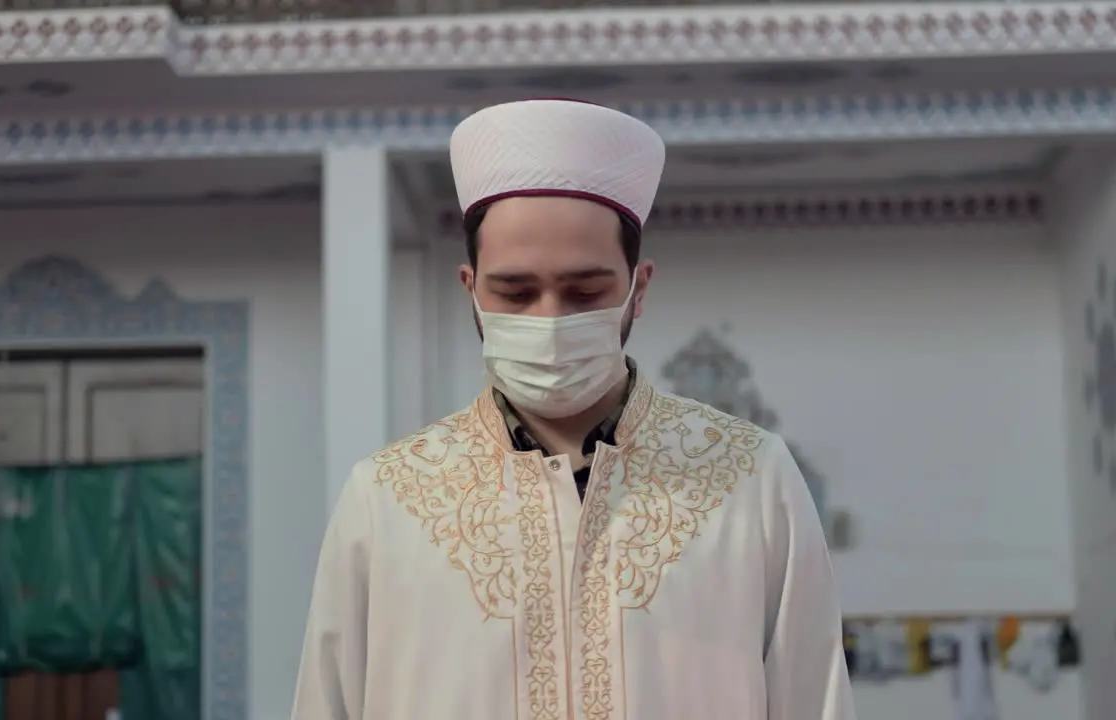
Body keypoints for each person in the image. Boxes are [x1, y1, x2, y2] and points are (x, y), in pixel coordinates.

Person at [292, 98, 856, 720]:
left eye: (585, 292)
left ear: (637, 289)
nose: (550, 319)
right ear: (470, 291)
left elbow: (814, 699)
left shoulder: (748, 477)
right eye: (516, 291)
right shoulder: (387, 497)